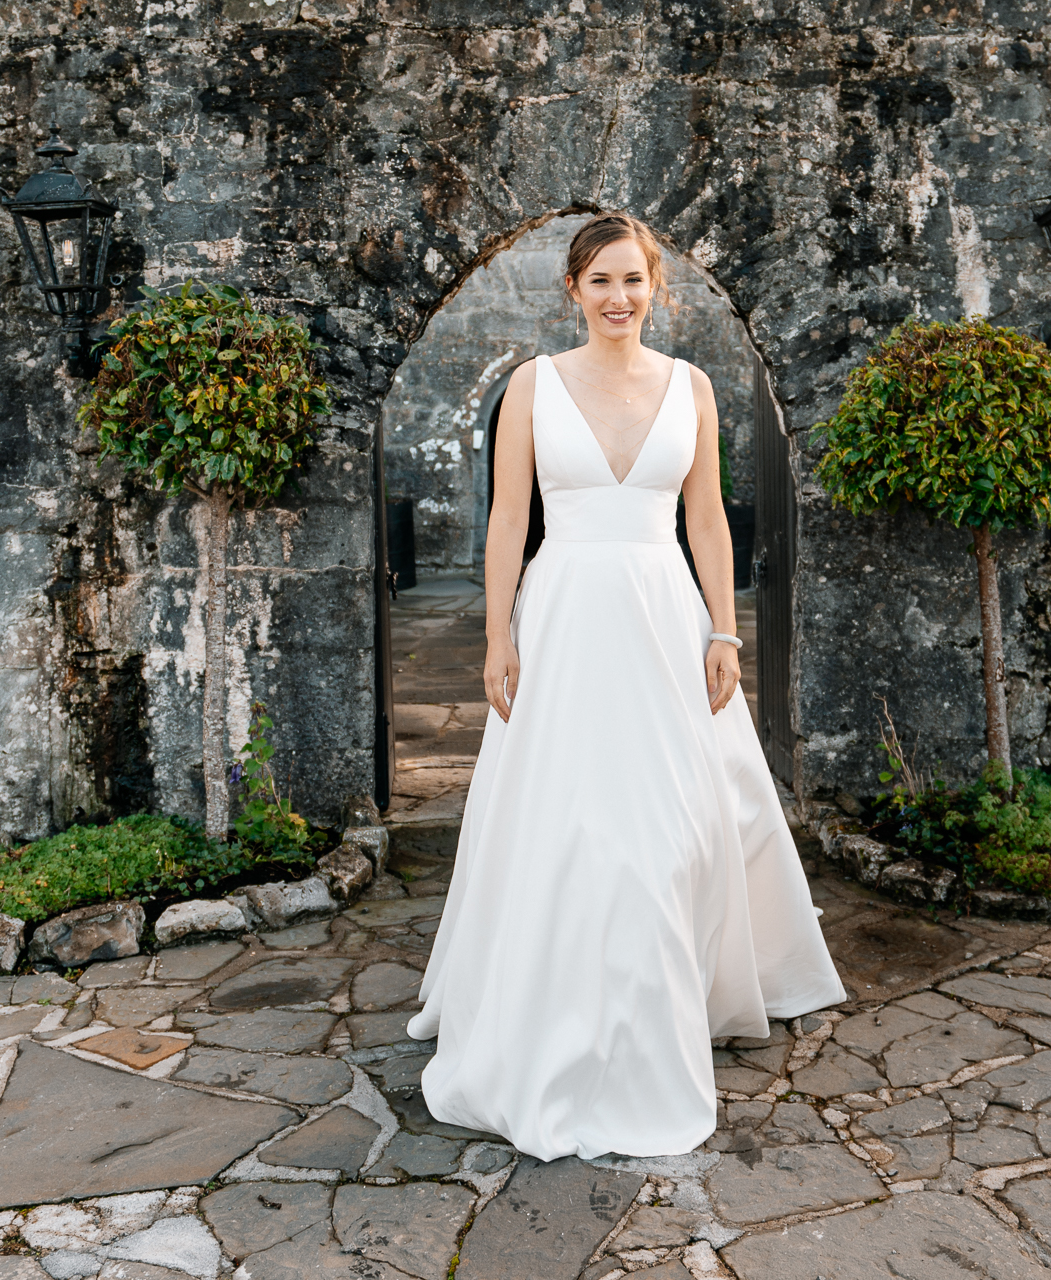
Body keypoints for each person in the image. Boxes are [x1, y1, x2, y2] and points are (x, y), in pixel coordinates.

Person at [405, 212, 844, 1161]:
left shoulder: (693, 387)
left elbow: (711, 522)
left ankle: (665, 1000)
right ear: (573, 289)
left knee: (669, 822)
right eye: (600, 281)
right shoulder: (530, 387)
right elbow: (505, 525)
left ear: (657, 290)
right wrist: (495, 637)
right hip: (562, 616)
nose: (617, 299)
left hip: (661, 617)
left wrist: (725, 630)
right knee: (565, 818)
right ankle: (553, 1007)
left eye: (633, 282)